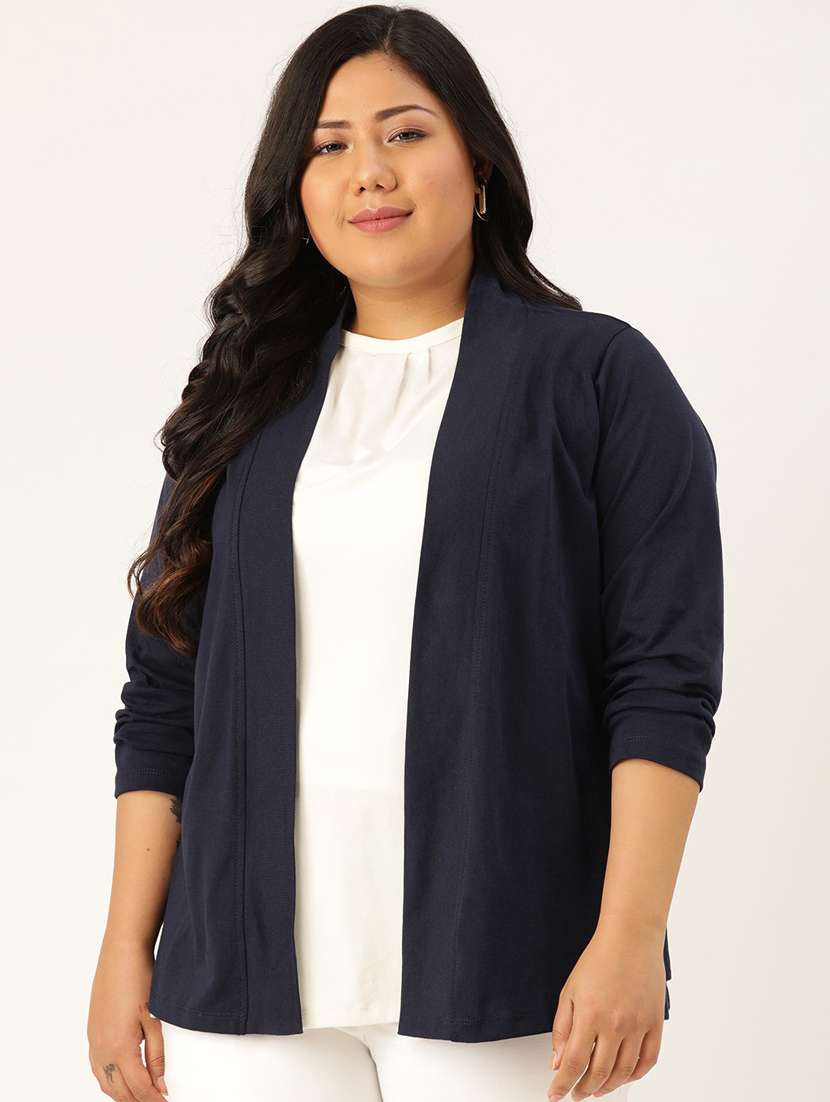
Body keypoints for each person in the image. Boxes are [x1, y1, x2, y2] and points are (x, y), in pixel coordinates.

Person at [87, 6, 724, 1102]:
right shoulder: (244, 407)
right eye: (329, 146)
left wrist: (628, 936)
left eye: (405, 133)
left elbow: (661, 681)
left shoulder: (596, 379)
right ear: (296, 191)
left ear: (479, 165)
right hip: (243, 977)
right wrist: (121, 951)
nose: (368, 172)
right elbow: (163, 699)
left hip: (509, 964)